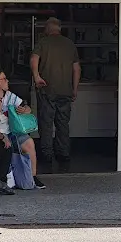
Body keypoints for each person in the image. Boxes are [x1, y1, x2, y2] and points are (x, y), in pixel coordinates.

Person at [30, 17, 80, 172]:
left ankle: (47, 155)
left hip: (47, 90)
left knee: (46, 124)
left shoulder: (43, 43)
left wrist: (37, 76)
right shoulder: (70, 44)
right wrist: (75, 88)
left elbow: (33, 58)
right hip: (65, 91)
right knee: (63, 124)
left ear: (47, 28)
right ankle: (63, 154)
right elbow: (77, 68)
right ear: (59, 28)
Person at [0, 69, 46, 189]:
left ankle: (32, 176)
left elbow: (25, 106)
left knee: (29, 142)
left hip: (11, 130)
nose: (7, 81)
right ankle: (4, 179)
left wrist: (26, 109)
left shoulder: (10, 95)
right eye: (4, 79)